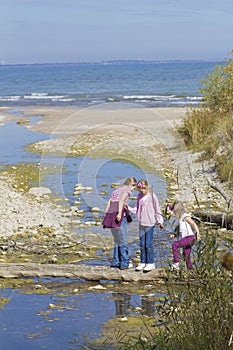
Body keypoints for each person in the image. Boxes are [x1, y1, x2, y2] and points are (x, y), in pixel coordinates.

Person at [129, 179, 164, 272]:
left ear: (147, 187)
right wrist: (128, 208)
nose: (142, 191)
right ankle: (143, 261)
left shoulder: (152, 196)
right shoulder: (139, 196)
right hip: (141, 223)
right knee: (142, 244)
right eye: (140, 189)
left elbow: (157, 210)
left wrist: (160, 221)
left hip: (150, 223)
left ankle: (151, 262)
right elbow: (137, 209)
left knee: (148, 244)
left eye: (143, 189)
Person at [103, 177, 137, 270]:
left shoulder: (117, 190)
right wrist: (119, 213)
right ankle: (124, 262)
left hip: (111, 214)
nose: (134, 189)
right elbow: (121, 201)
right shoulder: (127, 190)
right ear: (131, 184)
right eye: (134, 187)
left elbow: (110, 201)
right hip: (119, 215)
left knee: (117, 240)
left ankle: (116, 261)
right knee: (123, 240)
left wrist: (106, 213)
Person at [169, 201, 201, 270]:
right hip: (187, 238)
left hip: (189, 237)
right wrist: (174, 235)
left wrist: (197, 233)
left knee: (174, 245)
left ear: (179, 211)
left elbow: (193, 224)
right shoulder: (180, 219)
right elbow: (180, 231)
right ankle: (190, 270)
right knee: (186, 255)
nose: (174, 214)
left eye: (175, 212)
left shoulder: (185, 216)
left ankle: (176, 263)